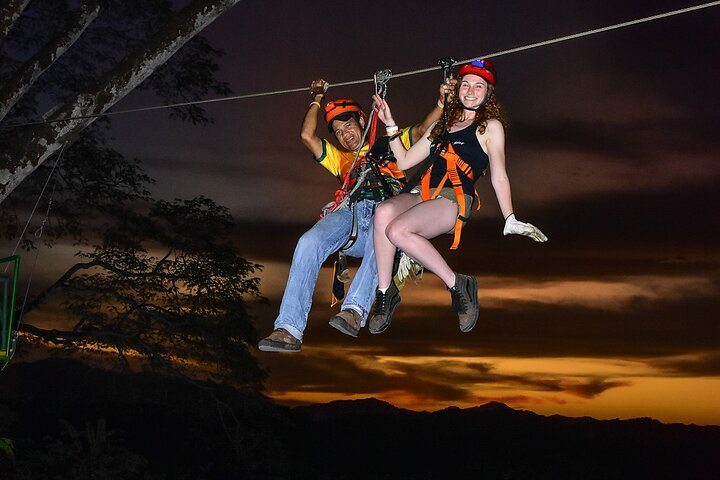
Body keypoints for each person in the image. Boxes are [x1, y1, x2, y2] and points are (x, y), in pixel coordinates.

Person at [258, 79, 443, 352]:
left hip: (384, 218)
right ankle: (288, 328)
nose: (345, 135)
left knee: (381, 234)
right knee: (309, 242)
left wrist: (441, 103)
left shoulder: (391, 143)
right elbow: (307, 136)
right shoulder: (341, 158)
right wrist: (317, 98)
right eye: (338, 132)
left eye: (348, 126)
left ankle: (354, 311)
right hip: (351, 216)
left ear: (362, 120)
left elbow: (422, 129)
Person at [369, 59, 548, 335]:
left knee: (397, 230)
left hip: (453, 199)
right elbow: (403, 161)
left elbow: (499, 173)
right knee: (382, 213)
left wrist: (509, 217)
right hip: (423, 194)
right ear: (457, 89)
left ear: (488, 94)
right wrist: (390, 124)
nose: (471, 90)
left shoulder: (489, 127)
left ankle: (457, 284)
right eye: (466, 84)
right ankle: (385, 292)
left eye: (479, 86)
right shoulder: (441, 125)